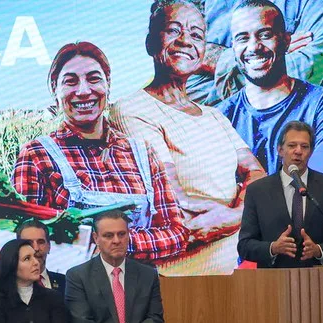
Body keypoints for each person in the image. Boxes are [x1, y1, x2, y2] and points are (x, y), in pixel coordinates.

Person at [111, 0, 265, 276]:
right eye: (173, 30)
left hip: (237, 275)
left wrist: (231, 216)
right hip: (179, 284)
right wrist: (247, 212)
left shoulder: (213, 116)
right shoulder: (132, 109)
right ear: (150, 44)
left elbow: (257, 174)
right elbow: (174, 208)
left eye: (196, 35)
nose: (186, 41)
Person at [12, 41, 188, 264]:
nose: (84, 91)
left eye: (94, 79)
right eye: (70, 82)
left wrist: (110, 243)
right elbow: (23, 242)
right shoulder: (37, 156)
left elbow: (176, 234)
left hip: (137, 292)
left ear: (108, 85)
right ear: (55, 91)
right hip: (71, 294)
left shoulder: (143, 154)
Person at [219, 0, 323, 176]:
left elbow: (319, 189)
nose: (253, 47)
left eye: (265, 35)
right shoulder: (220, 118)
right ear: (233, 48)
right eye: (243, 38)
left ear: (286, 41)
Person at [238, 121, 323, 267]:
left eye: (304, 146)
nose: (298, 151)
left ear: (311, 151)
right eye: (292, 146)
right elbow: (244, 245)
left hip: (321, 281)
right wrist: (273, 248)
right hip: (273, 282)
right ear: (280, 150)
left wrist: (319, 250)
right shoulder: (258, 190)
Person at [186, 0, 323, 107]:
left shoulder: (320, 4)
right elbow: (184, 77)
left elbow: (307, 73)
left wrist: (216, 60)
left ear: (286, 40)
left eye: (266, 35)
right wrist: (272, 54)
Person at [15, 220, 66, 295]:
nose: (36, 248)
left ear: (49, 246)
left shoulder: (66, 283)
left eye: (40, 242)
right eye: (29, 243)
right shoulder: (5, 284)